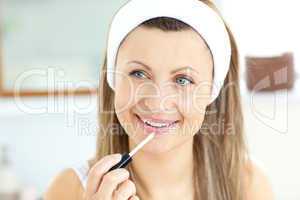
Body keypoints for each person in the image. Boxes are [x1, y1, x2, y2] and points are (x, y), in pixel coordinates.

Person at [44, 0, 274, 199]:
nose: (157, 102)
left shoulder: (249, 185)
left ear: (212, 93)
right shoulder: (69, 189)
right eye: (139, 74)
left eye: (183, 80)